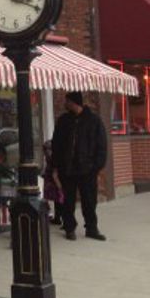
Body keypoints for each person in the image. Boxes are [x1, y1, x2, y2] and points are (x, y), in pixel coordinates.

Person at [51, 91, 108, 241]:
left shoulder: (94, 121)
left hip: (87, 169)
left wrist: (96, 167)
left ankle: (91, 228)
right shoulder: (64, 121)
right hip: (67, 168)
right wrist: (55, 166)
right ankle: (69, 228)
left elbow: (101, 145)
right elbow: (56, 144)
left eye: (67, 101)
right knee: (68, 201)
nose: (65, 104)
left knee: (89, 200)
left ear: (73, 102)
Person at [42, 140, 63, 225]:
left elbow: (54, 169)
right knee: (57, 198)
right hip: (52, 177)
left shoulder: (51, 155)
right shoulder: (53, 154)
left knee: (59, 198)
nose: (46, 152)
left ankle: (59, 217)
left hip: (53, 177)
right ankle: (58, 217)